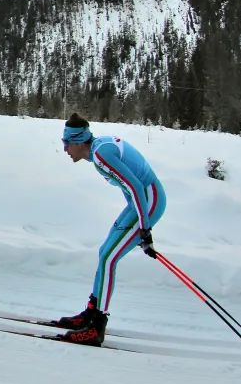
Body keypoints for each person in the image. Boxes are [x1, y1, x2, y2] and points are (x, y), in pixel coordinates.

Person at [55, 113, 167, 346]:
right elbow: (131, 187)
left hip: (148, 201)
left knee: (109, 257)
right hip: (140, 202)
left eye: (66, 144)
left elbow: (136, 186)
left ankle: (97, 326)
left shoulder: (100, 155)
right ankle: (91, 312)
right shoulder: (98, 149)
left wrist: (144, 229)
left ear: (77, 142)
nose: (65, 149)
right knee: (105, 252)